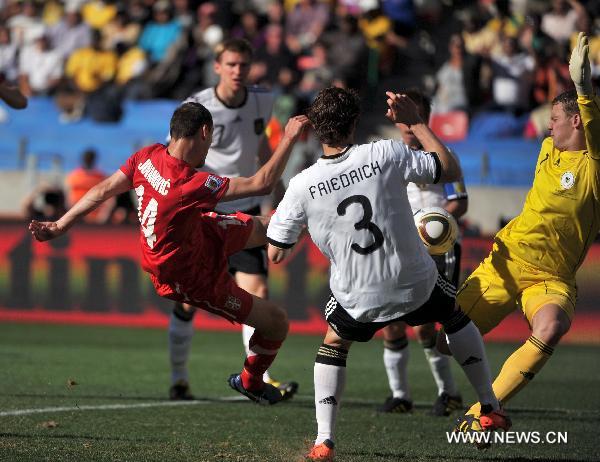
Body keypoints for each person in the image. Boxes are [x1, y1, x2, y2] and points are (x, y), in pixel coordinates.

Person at [266, 87, 510, 461]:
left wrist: (303, 225)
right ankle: (489, 407)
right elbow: (450, 169)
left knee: (333, 343)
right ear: (355, 123)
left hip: (357, 294)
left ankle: (324, 441)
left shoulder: (301, 185)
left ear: (315, 131)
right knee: (453, 315)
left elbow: (276, 253)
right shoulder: (385, 152)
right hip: (413, 281)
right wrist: (416, 122)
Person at [29, 102, 309, 405]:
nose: (210, 147)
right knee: (277, 321)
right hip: (189, 276)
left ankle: (315, 210)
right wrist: (289, 137)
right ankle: (250, 381)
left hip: (199, 234)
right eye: (211, 139)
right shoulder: (189, 183)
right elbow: (262, 183)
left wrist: (60, 224)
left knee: (274, 227)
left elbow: (102, 190)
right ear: (204, 131)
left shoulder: (147, 156)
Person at [448, 32, 600, 433]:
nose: (546, 127)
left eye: (553, 120)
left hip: (552, 278)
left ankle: (483, 412)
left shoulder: (593, 167)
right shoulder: (549, 147)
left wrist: (584, 89)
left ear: (575, 121)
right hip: (507, 261)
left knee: (550, 327)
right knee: (448, 338)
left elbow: (594, 130)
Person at [168, 38, 297, 401]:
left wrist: (279, 192)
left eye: (244, 65)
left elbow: (259, 145)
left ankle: (259, 378)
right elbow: (175, 158)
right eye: (231, 65)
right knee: (187, 300)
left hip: (247, 208)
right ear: (217, 67)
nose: (238, 71)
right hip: (204, 210)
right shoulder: (197, 107)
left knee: (257, 291)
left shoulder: (262, 99)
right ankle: (179, 377)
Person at [378, 89, 467, 417]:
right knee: (391, 323)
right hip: (399, 247)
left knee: (428, 325)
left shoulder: (444, 157)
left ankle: (449, 393)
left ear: (424, 119)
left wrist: (436, 222)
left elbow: (460, 201)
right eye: (400, 117)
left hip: (438, 248)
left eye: (411, 116)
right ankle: (400, 396)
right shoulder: (387, 157)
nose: (405, 125)